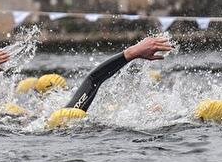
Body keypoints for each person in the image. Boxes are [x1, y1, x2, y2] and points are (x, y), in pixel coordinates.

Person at [45, 36, 173, 128]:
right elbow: (93, 79)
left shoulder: (56, 120)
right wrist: (131, 53)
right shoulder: (67, 118)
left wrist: (131, 53)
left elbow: (93, 80)